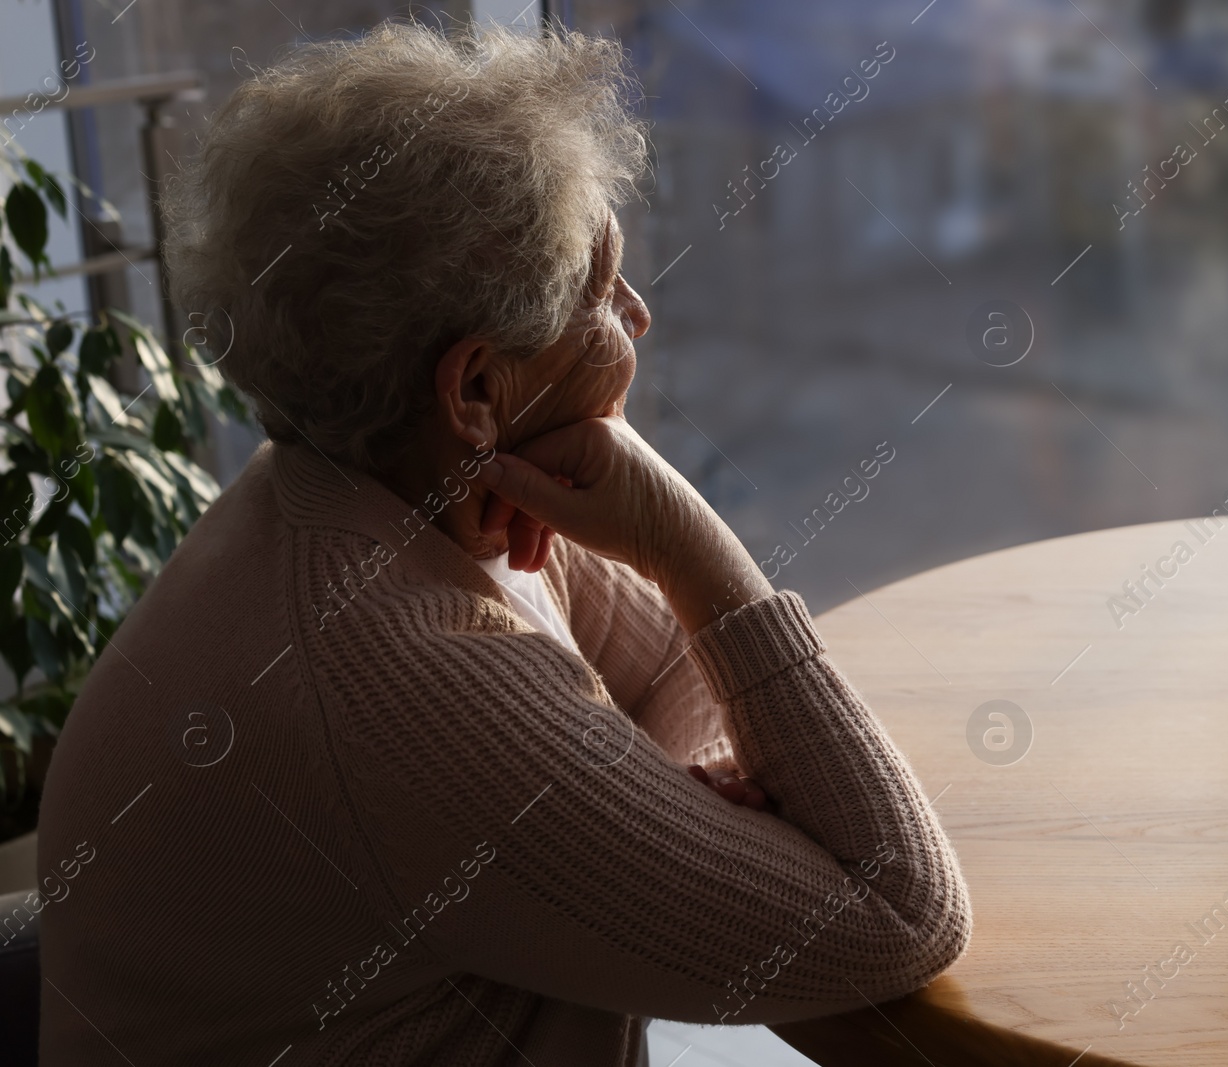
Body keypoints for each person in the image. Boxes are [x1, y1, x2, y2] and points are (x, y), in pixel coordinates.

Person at [36, 20, 970, 1065]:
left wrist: (647, 793)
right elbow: (900, 911)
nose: (640, 315)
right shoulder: (397, 673)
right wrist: (681, 536)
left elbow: (669, 660)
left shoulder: (392, 487)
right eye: (603, 290)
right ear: (476, 386)